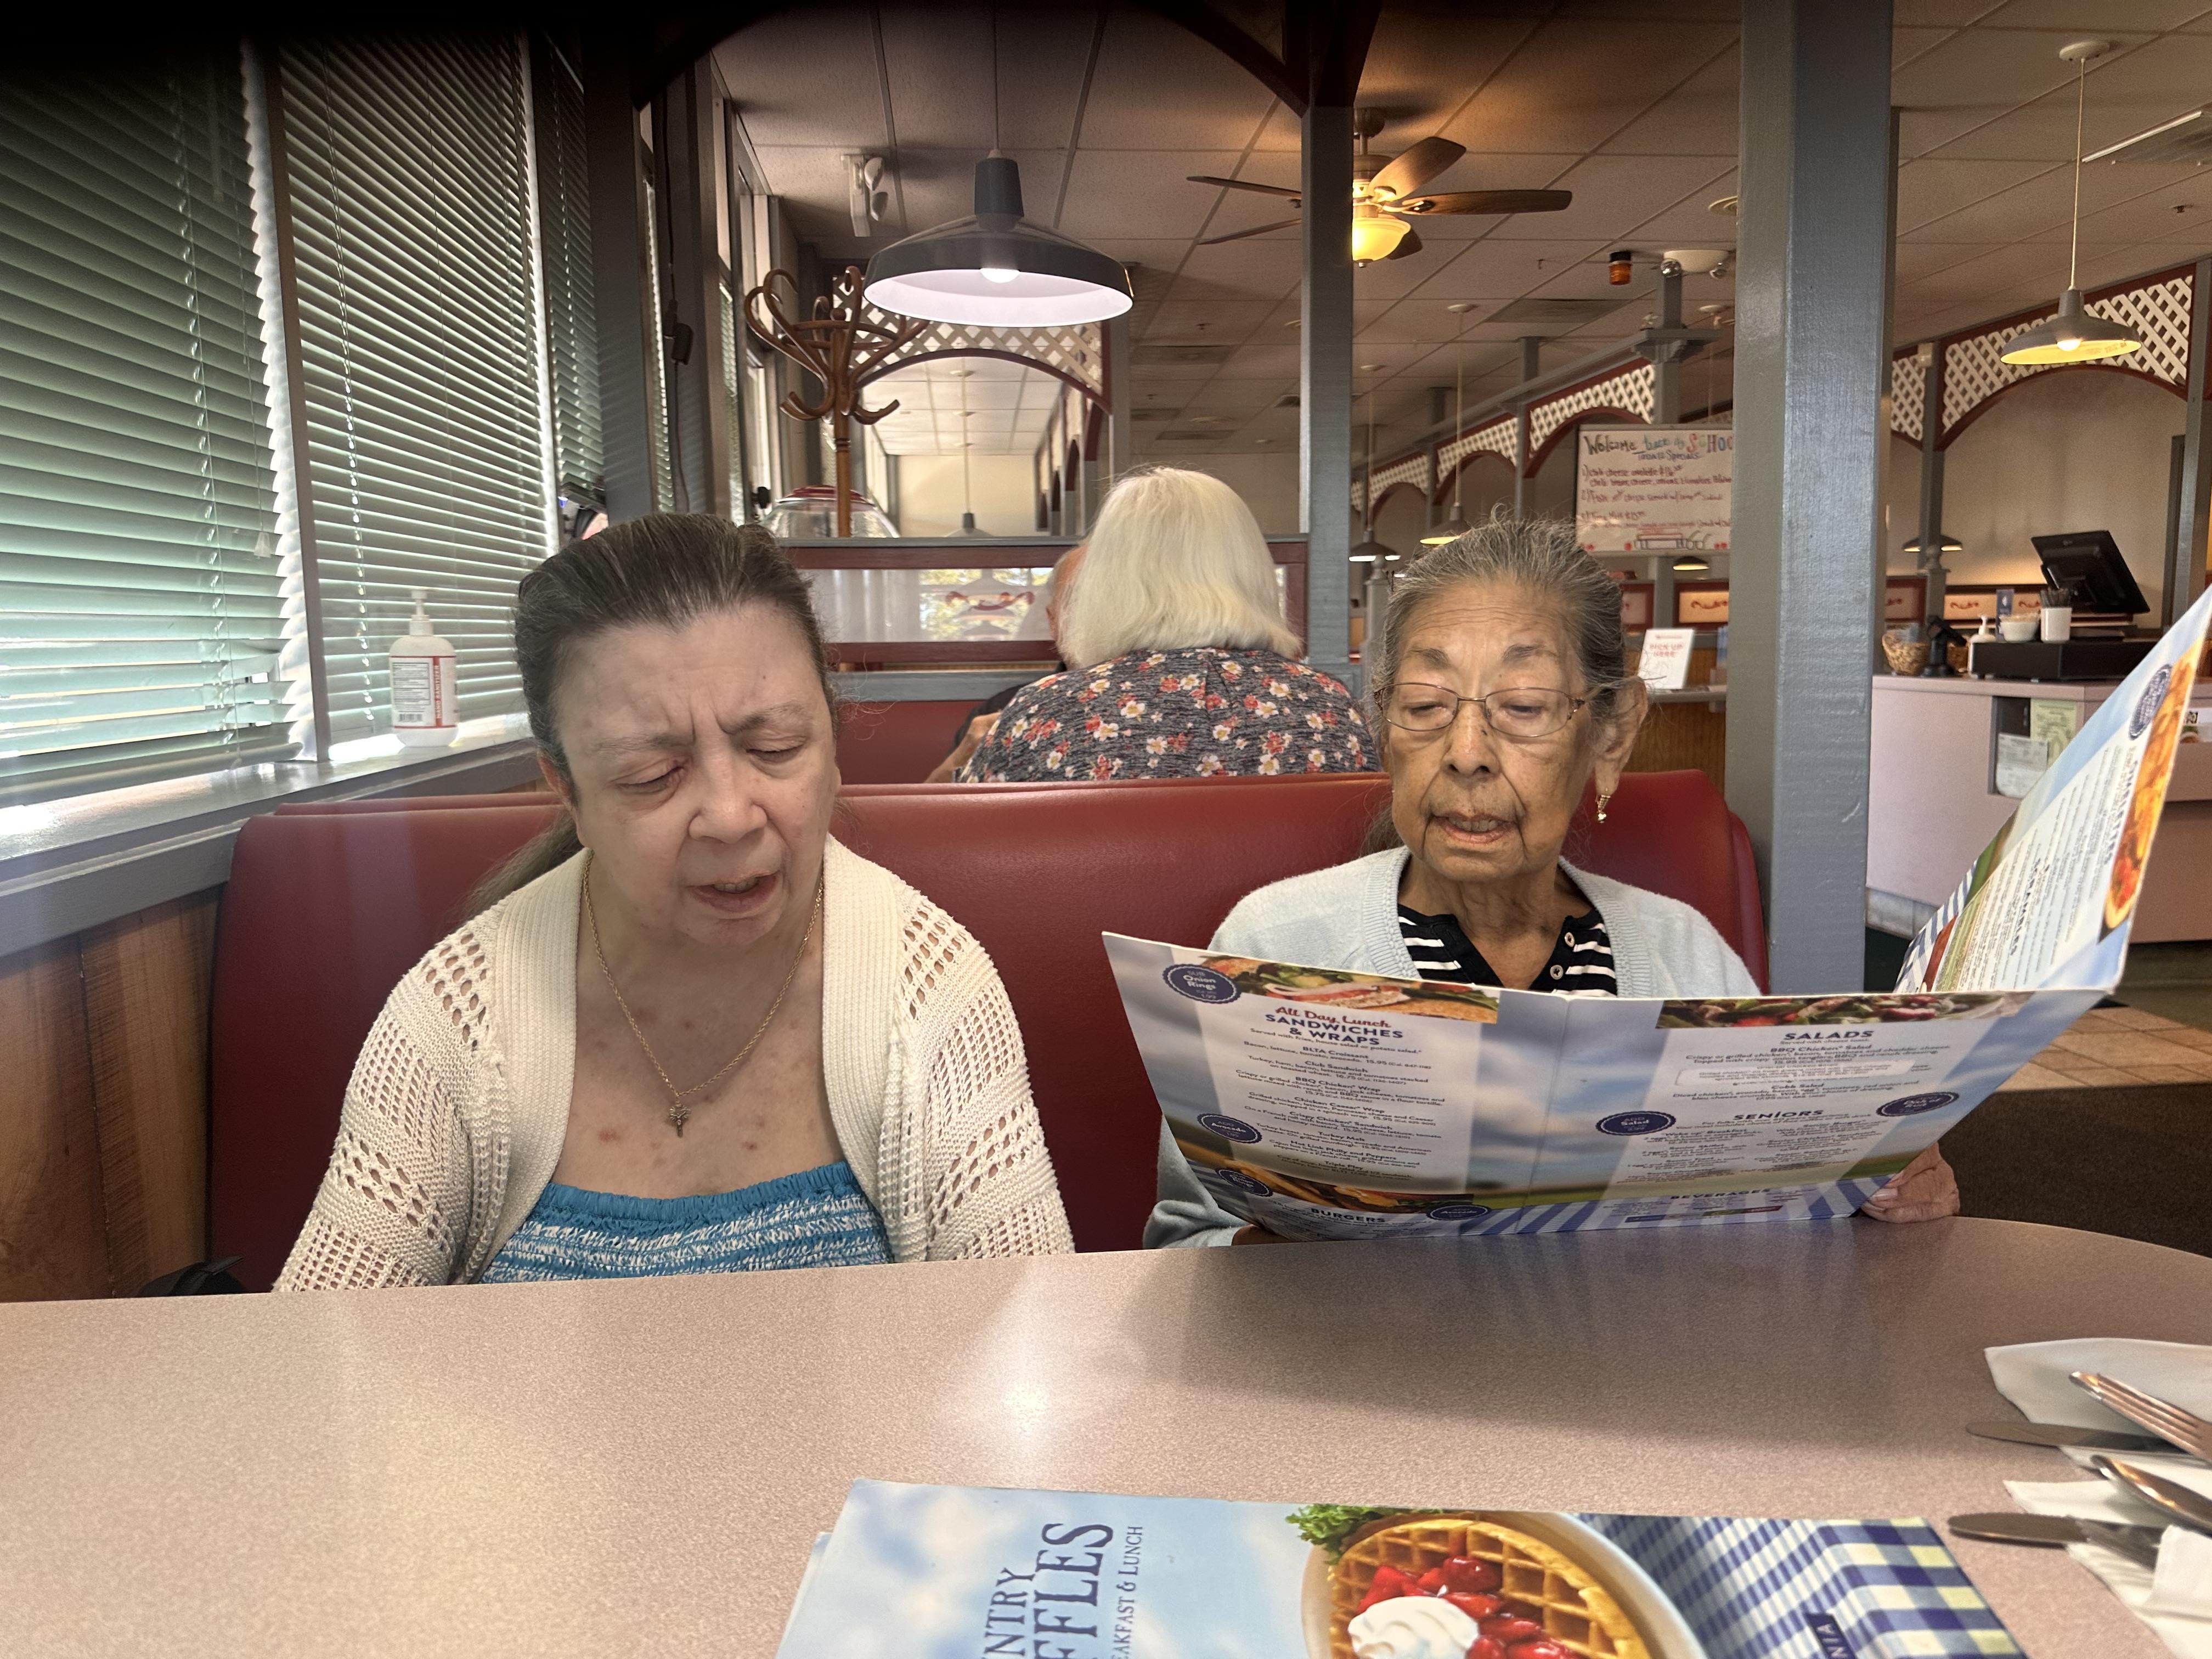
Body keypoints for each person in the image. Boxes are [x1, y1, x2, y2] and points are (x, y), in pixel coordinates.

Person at [278, 515, 1072, 1288]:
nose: (730, 815)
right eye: (651, 776)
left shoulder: (932, 991)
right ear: (569, 791)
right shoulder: (459, 1013)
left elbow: (1026, 1344)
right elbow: (327, 1357)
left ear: (832, 745)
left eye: (775, 748)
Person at [1146, 514, 1959, 1246]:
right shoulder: (1279, 945)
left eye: (1524, 707)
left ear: (1610, 731)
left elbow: (1773, 1226)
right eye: (1426, 705)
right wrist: (1292, 1251)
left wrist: (1873, 1197)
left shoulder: (1681, 951)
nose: (1465, 751)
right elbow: (1187, 1245)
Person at [957, 467, 1369, 781]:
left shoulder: (1044, 711)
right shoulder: (1329, 706)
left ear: (1108, 577)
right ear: (1252, 569)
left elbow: (973, 846)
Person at [924, 545, 1084, 783]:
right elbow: (931, 808)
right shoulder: (999, 709)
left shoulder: (1147, 704)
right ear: (1053, 621)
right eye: (1077, 601)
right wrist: (966, 753)